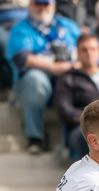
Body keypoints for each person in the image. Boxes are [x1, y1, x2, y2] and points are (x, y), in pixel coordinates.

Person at [5, 0, 80, 153]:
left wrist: (73, 65)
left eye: (46, 4)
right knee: (35, 80)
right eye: (37, 4)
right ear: (30, 5)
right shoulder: (21, 28)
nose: (42, 8)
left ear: (53, 5)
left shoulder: (68, 26)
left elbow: (88, 47)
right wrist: (53, 66)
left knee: (78, 80)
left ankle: (78, 135)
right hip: (33, 80)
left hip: (67, 74)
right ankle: (35, 138)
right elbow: (21, 58)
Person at [54, 33, 99, 159]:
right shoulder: (68, 79)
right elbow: (65, 111)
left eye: (93, 49)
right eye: (84, 50)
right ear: (78, 53)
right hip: (83, 130)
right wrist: (93, 123)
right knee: (91, 137)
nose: (89, 53)